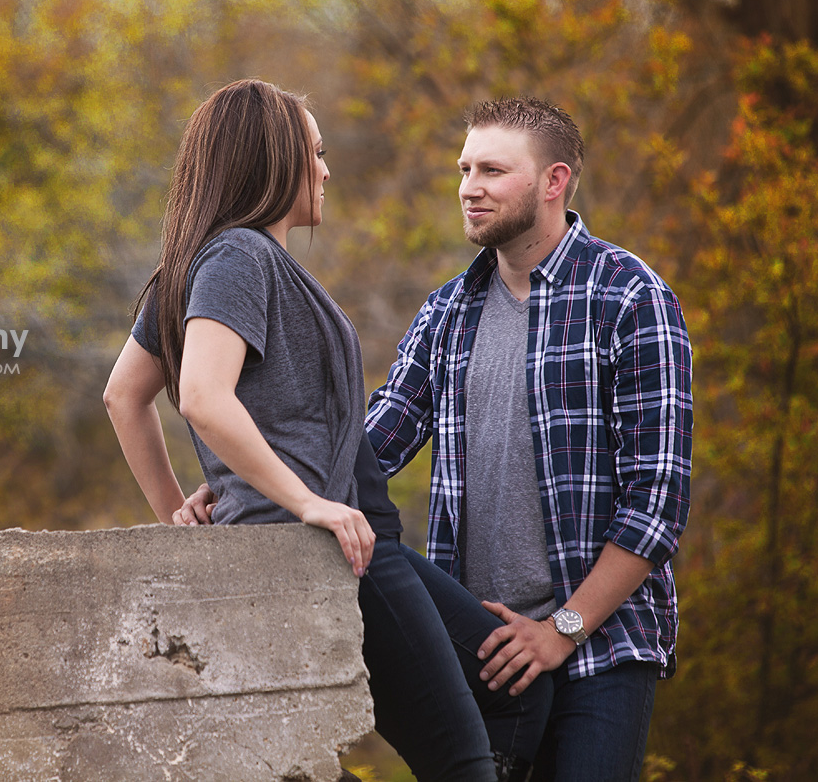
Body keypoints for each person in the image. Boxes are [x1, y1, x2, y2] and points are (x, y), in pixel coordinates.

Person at [104, 79, 547, 782]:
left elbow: (124, 395)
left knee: (513, 683)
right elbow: (201, 397)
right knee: (466, 755)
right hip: (334, 543)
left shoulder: (203, 261)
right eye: (313, 152)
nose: (325, 169)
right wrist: (303, 500)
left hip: (353, 536)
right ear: (272, 161)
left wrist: (181, 510)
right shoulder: (239, 258)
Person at [365, 97, 693, 780]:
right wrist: (240, 484)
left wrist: (560, 631)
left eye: (492, 169)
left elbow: (656, 505)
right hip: (485, 657)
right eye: (464, 168)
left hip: (600, 647)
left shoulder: (630, 297)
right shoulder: (447, 311)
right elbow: (371, 448)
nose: (469, 186)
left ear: (555, 181)